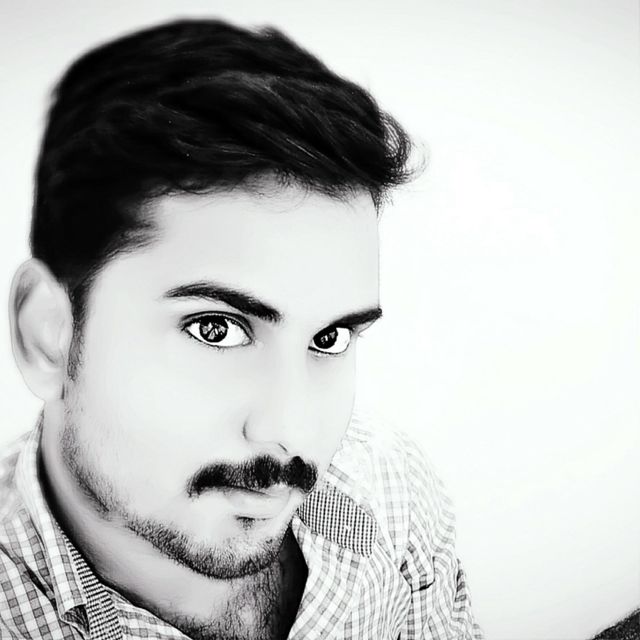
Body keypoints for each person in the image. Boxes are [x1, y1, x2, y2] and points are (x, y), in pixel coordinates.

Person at [0, 18, 482, 640]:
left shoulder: (388, 485)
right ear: (48, 334)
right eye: (216, 329)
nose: (291, 430)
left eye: (329, 339)